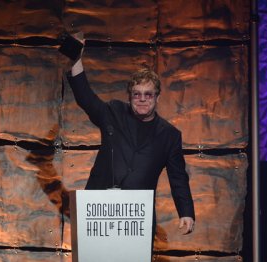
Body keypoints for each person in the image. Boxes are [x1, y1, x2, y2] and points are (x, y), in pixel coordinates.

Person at [66, 36, 195, 235]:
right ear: (130, 96)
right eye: (137, 94)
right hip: (98, 210)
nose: (142, 99)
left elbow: (178, 177)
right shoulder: (114, 113)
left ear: (157, 97)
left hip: (137, 218)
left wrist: (186, 212)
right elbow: (86, 99)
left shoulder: (169, 135)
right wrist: (76, 60)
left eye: (148, 94)